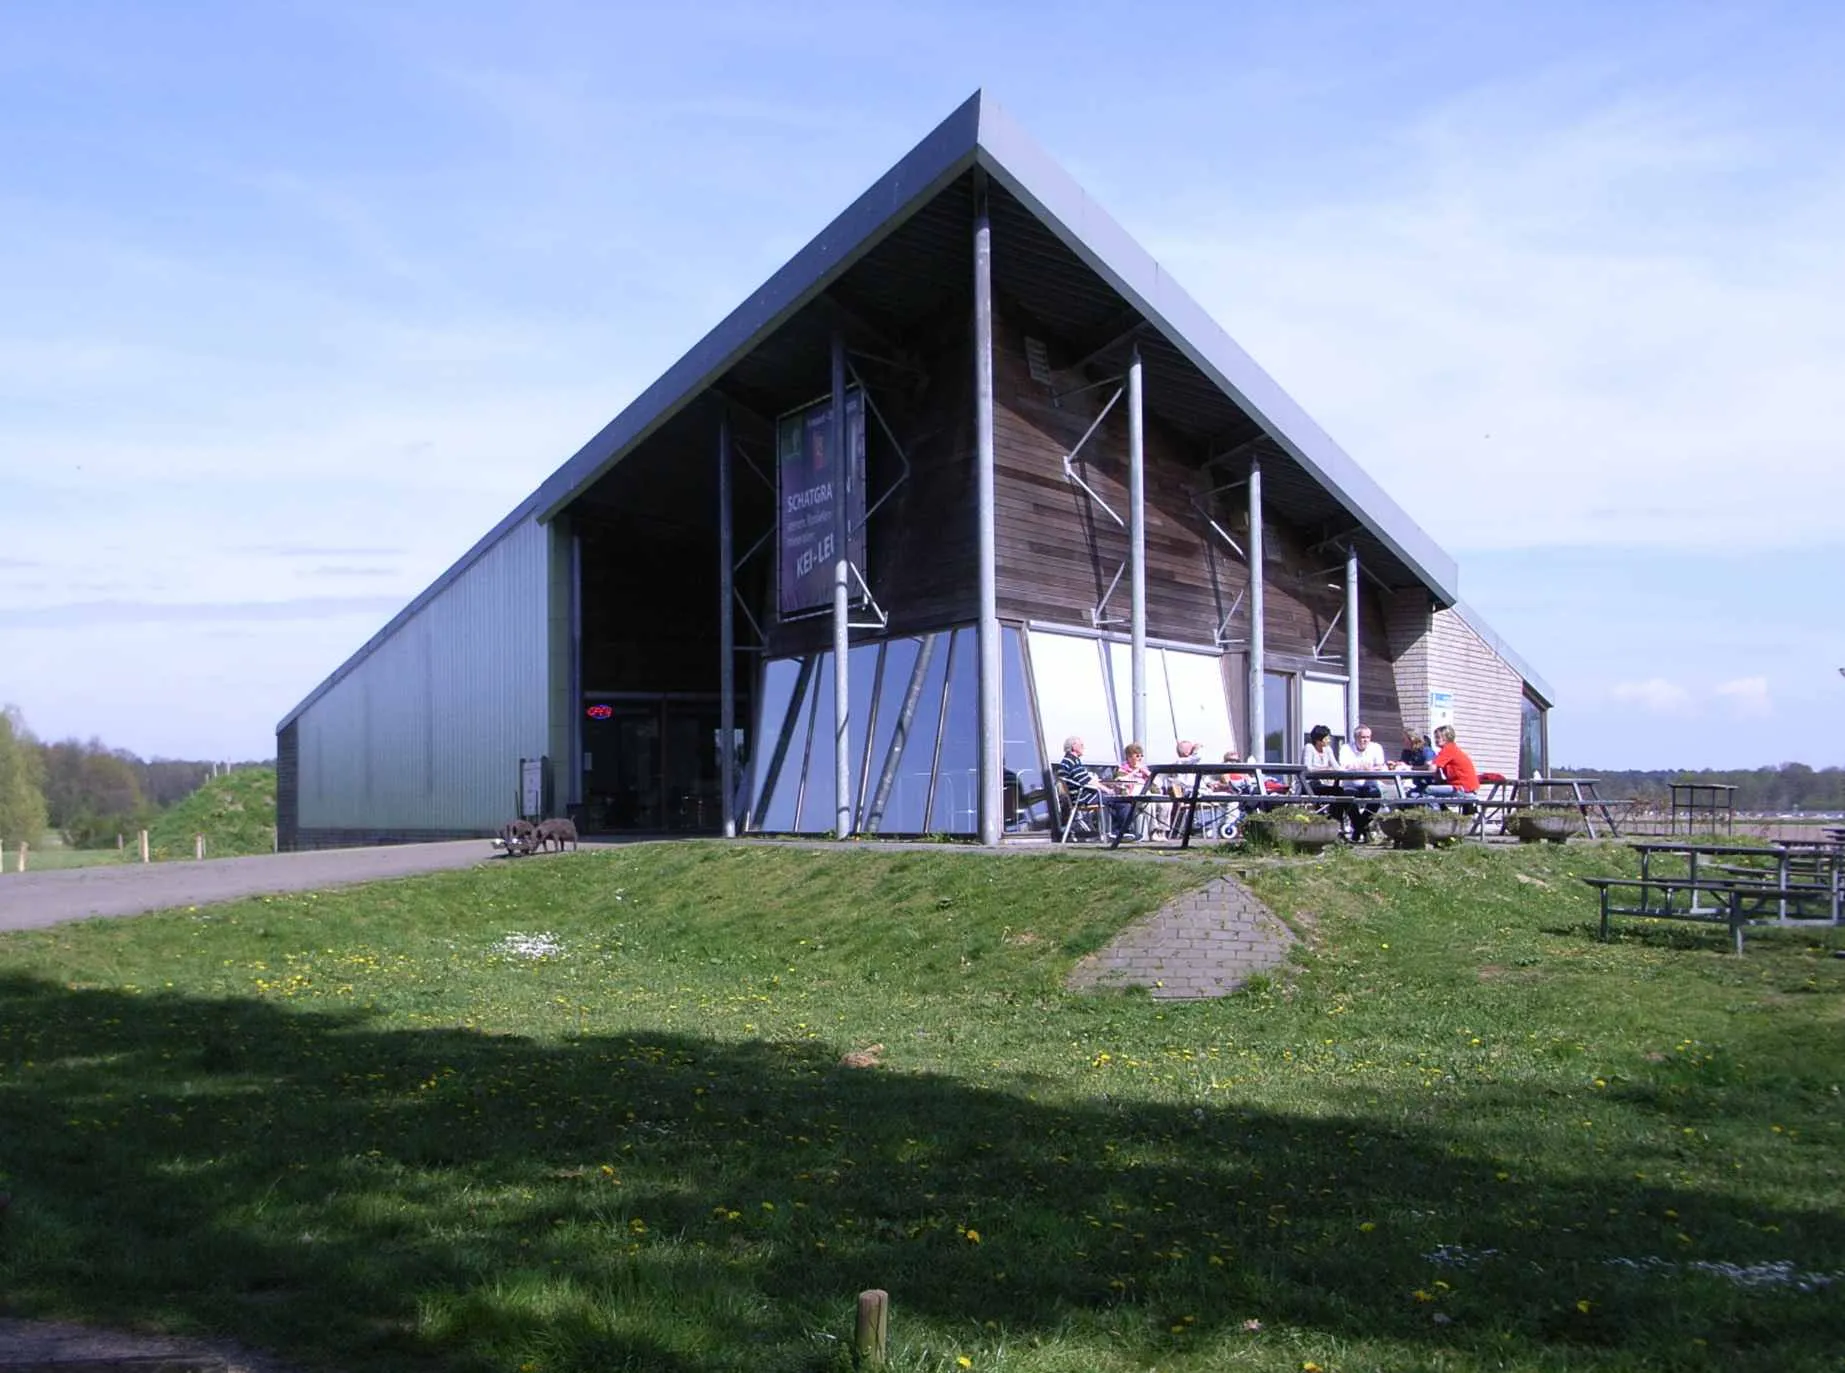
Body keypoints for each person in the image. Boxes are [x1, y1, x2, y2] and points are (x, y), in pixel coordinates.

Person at [1336, 722, 1386, 841]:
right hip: (1351, 784)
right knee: (1346, 798)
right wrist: (1362, 766)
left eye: (1368, 737)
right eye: (1362, 737)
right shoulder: (1346, 748)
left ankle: (1358, 827)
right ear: (1356, 738)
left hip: (1370, 784)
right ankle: (1362, 827)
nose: (1365, 740)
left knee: (1376, 797)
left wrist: (1360, 766)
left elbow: (1380, 766)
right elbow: (1344, 766)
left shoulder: (1376, 747)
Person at [1054, 735, 1108, 837]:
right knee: (1115, 800)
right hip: (1082, 798)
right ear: (1074, 747)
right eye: (1082, 745)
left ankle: (1112, 832)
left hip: (1079, 797)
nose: (1084, 747)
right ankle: (1116, 832)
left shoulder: (1068, 761)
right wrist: (1106, 789)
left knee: (1112, 799)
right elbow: (1086, 781)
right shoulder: (1072, 761)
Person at [1423, 724, 1480, 801]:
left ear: (1446, 738)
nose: (1435, 740)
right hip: (1468, 788)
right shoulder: (1452, 749)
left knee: (1428, 790)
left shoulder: (1448, 749)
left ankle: (1437, 812)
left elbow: (1432, 769)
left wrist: (1428, 764)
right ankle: (1442, 811)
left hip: (1462, 788)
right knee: (1435, 790)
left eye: (1438, 737)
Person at [1109, 742, 1153, 839]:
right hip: (1131, 796)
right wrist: (1135, 771)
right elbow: (1121, 783)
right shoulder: (1122, 769)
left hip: (1146, 794)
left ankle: (1159, 831)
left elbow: (1154, 785)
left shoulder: (1144, 769)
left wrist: (1144, 771)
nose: (1140, 758)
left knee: (1165, 804)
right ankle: (1150, 833)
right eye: (1137, 756)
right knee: (1149, 804)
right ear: (1129, 757)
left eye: (1141, 756)